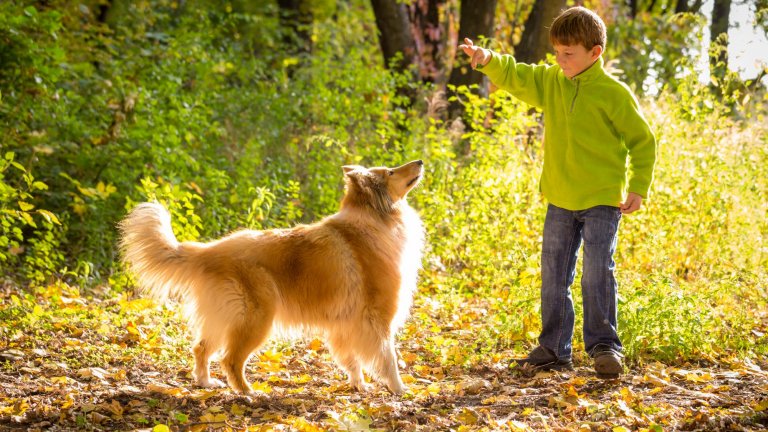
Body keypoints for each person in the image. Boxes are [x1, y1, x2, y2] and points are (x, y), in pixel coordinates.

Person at [459, 6, 656, 378]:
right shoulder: (551, 81)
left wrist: (638, 187)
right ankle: (553, 347)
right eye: (557, 53)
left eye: (569, 54)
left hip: (602, 198)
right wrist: (487, 59)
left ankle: (604, 347)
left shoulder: (614, 93)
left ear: (595, 52)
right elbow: (518, 74)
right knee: (554, 275)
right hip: (560, 198)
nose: (560, 60)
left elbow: (643, 142)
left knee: (597, 273)